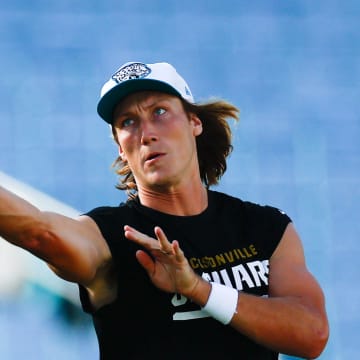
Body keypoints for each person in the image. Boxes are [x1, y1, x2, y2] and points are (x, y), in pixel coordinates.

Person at [0, 61, 329, 359]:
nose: (146, 134)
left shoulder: (266, 229)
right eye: (128, 122)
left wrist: (197, 289)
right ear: (120, 147)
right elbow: (38, 232)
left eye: (159, 112)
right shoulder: (114, 237)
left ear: (194, 122)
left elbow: (312, 335)